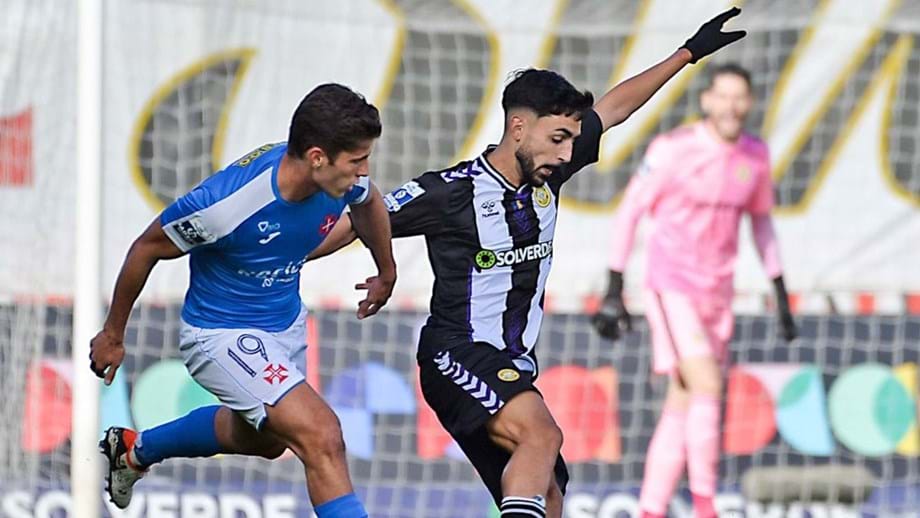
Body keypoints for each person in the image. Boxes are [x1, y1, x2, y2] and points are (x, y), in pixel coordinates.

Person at [309, 9, 746, 517]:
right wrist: (280, 257)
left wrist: (687, 53)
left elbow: (616, 108)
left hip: (513, 364)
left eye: (571, 139)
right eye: (558, 138)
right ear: (518, 128)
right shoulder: (449, 192)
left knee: (552, 495)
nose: (567, 153)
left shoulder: (547, 173)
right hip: (457, 355)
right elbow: (354, 222)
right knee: (543, 433)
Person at [89, 83, 395, 518]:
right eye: (357, 162)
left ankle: (135, 451)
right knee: (322, 434)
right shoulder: (225, 205)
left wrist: (386, 270)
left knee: (268, 442)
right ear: (316, 158)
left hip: (283, 324)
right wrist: (113, 334)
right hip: (220, 333)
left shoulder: (340, 178)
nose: (363, 172)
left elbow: (368, 203)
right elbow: (147, 248)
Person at [592, 63, 798, 518]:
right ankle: (707, 505)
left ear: (750, 103)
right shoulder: (673, 150)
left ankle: (650, 508)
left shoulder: (755, 156)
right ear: (706, 100)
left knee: (683, 399)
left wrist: (780, 288)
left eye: (739, 97)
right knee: (708, 382)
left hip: (717, 292)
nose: (731, 106)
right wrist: (614, 285)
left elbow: (761, 222)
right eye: (722, 96)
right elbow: (629, 212)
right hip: (672, 284)